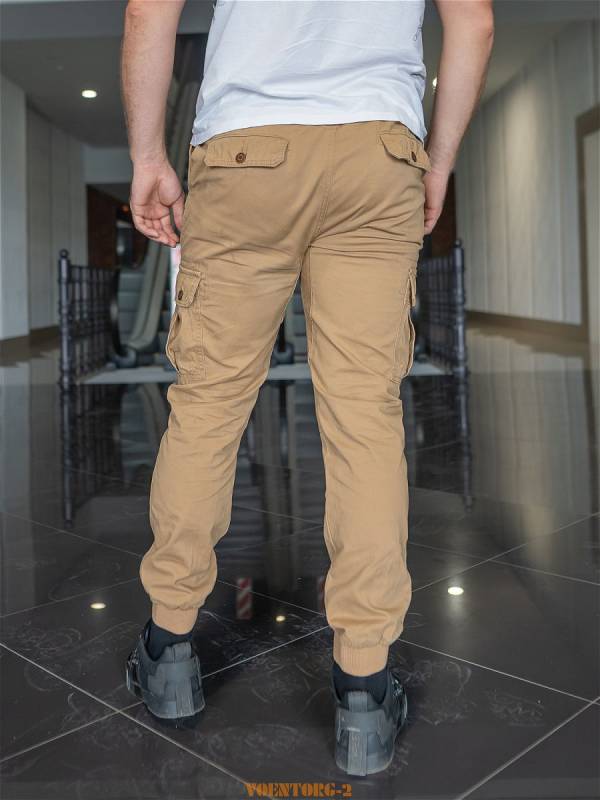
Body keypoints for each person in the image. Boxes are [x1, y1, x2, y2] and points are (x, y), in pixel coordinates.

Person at [122, 0, 493, 776]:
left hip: (244, 151)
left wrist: (148, 155)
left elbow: (147, 9)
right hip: (378, 154)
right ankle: (364, 690)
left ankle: (169, 651)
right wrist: (437, 161)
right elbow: (475, 22)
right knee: (366, 418)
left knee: (208, 407)